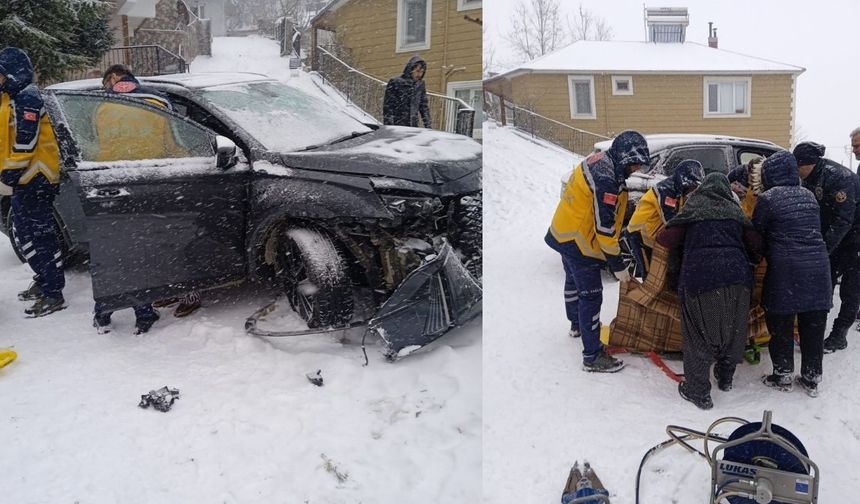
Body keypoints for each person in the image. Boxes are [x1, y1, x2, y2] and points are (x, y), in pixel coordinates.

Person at [545, 130, 650, 372]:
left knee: (572, 283)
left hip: (564, 231)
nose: (636, 170)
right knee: (591, 296)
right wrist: (618, 266)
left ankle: (576, 325)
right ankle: (592, 356)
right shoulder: (606, 180)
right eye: (634, 164)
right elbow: (604, 229)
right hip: (581, 243)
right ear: (624, 158)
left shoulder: (602, 160)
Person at [656, 173, 762, 410]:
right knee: (734, 330)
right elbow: (757, 244)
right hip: (737, 279)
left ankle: (698, 391)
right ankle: (725, 378)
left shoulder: (693, 211)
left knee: (698, 335)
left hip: (700, 279)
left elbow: (664, 239)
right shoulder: (735, 213)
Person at [752, 150, 831, 397]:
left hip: (785, 271)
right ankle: (811, 377)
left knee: (782, 324)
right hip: (818, 270)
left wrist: (759, 255)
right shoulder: (809, 196)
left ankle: (783, 374)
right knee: (813, 326)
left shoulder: (768, 199)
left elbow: (757, 235)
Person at [0, 47, 66, 317]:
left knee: (41, 236)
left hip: (37, 177)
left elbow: (25, 142)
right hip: (22, 178)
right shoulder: (11, 98)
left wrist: (9, 172)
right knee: (24, 232)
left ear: (13, 73)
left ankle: (54, 292)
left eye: (1, 74)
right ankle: (43, 278)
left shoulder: (28, 98)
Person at [793, 141, 860, 353]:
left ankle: (839, 334)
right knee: (823, 286)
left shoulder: (839, 178)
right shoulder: (809, 177)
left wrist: (823, 250)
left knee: (851, 290)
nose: (796, 171)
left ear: (809, 164)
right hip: (832, 238)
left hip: (855, 240)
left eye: (798, 167)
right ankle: (813, 333)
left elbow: (843, 220)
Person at [625, 159, 704, 279]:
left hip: (654, 234)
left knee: (661, 274)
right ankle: (647, 296)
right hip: (640, 234)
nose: (692, 190)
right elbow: (670, 221)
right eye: (692, 186)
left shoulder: (679, 189)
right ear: (684, 180)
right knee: (650, 275)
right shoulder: (666, 191)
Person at [382, 55, 431, 128]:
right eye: (417, 71)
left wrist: (428, 125)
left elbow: (424, 107)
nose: (419, 74)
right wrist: (390, 126)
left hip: (413, 126)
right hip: (397, 125)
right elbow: (388, 107)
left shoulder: (420, 85)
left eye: (422, 72)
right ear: (411, 69)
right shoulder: (395, 82)